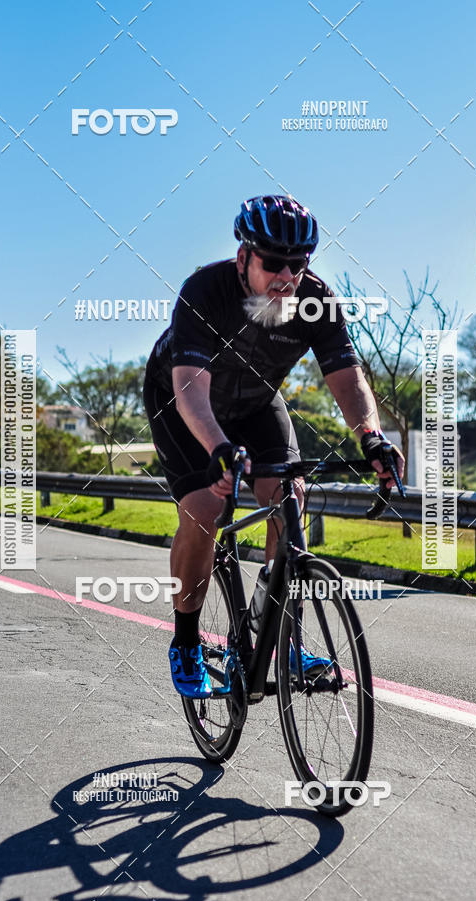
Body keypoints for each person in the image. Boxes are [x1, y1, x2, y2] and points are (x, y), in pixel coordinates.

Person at [143, 195, 404, 698]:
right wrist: (219, 448)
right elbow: (190, 388)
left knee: (289, 497)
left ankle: (280, 636)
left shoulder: (316, 302)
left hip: (258, 401)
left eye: (299, 264)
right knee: (203, 509)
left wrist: (371, 436)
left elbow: (348, 381)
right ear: (244, 257)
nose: (287, 275)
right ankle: (186, 640)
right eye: (273, 262)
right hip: (183, 400)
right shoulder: (205, 290)